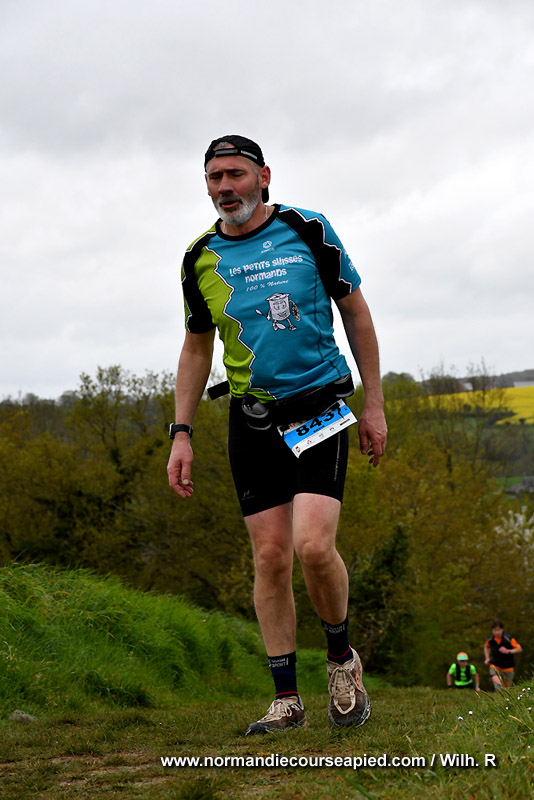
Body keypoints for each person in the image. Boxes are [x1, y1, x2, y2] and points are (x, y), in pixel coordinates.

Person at [167, 135, 387, 735]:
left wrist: (374, 403)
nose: (224, 188)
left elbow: (356, 312)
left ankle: (341, 661)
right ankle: (286, 699)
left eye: (235, 174)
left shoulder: (308, 229)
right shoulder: (200, 257)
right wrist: (181, 434)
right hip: (252, 419)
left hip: (318, 406)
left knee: (313, 547)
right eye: (214, 177)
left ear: (263, 176)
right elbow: (195, 348)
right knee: (269, 557)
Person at [484, 619, 522, 690]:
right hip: (495, 665)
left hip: (508, 667)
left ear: (502, 630)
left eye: (498, 630)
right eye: (495, 630)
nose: (497, 632)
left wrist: (508, 651)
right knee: (499, 687)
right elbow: (486, 647)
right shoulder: (490, 639)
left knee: (507, 689)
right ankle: (498, 693)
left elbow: (519, 649)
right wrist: (487, 658)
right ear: (492, 630)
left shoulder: (508, 639)